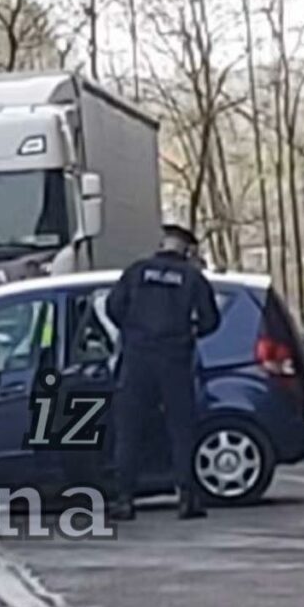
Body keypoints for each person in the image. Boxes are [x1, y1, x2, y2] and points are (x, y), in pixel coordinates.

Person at [105, 223, 222, 522]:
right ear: (187, 250)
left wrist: (133, 331)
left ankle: (124, 499)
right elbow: (210, 320)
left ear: (161, 243)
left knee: (129, 429)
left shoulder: (136, 272)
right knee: (181, 429)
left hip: (137, 360)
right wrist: (188, 332)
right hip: (174, 360)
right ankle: (186, 498)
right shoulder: (192, 278)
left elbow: (113, 307)